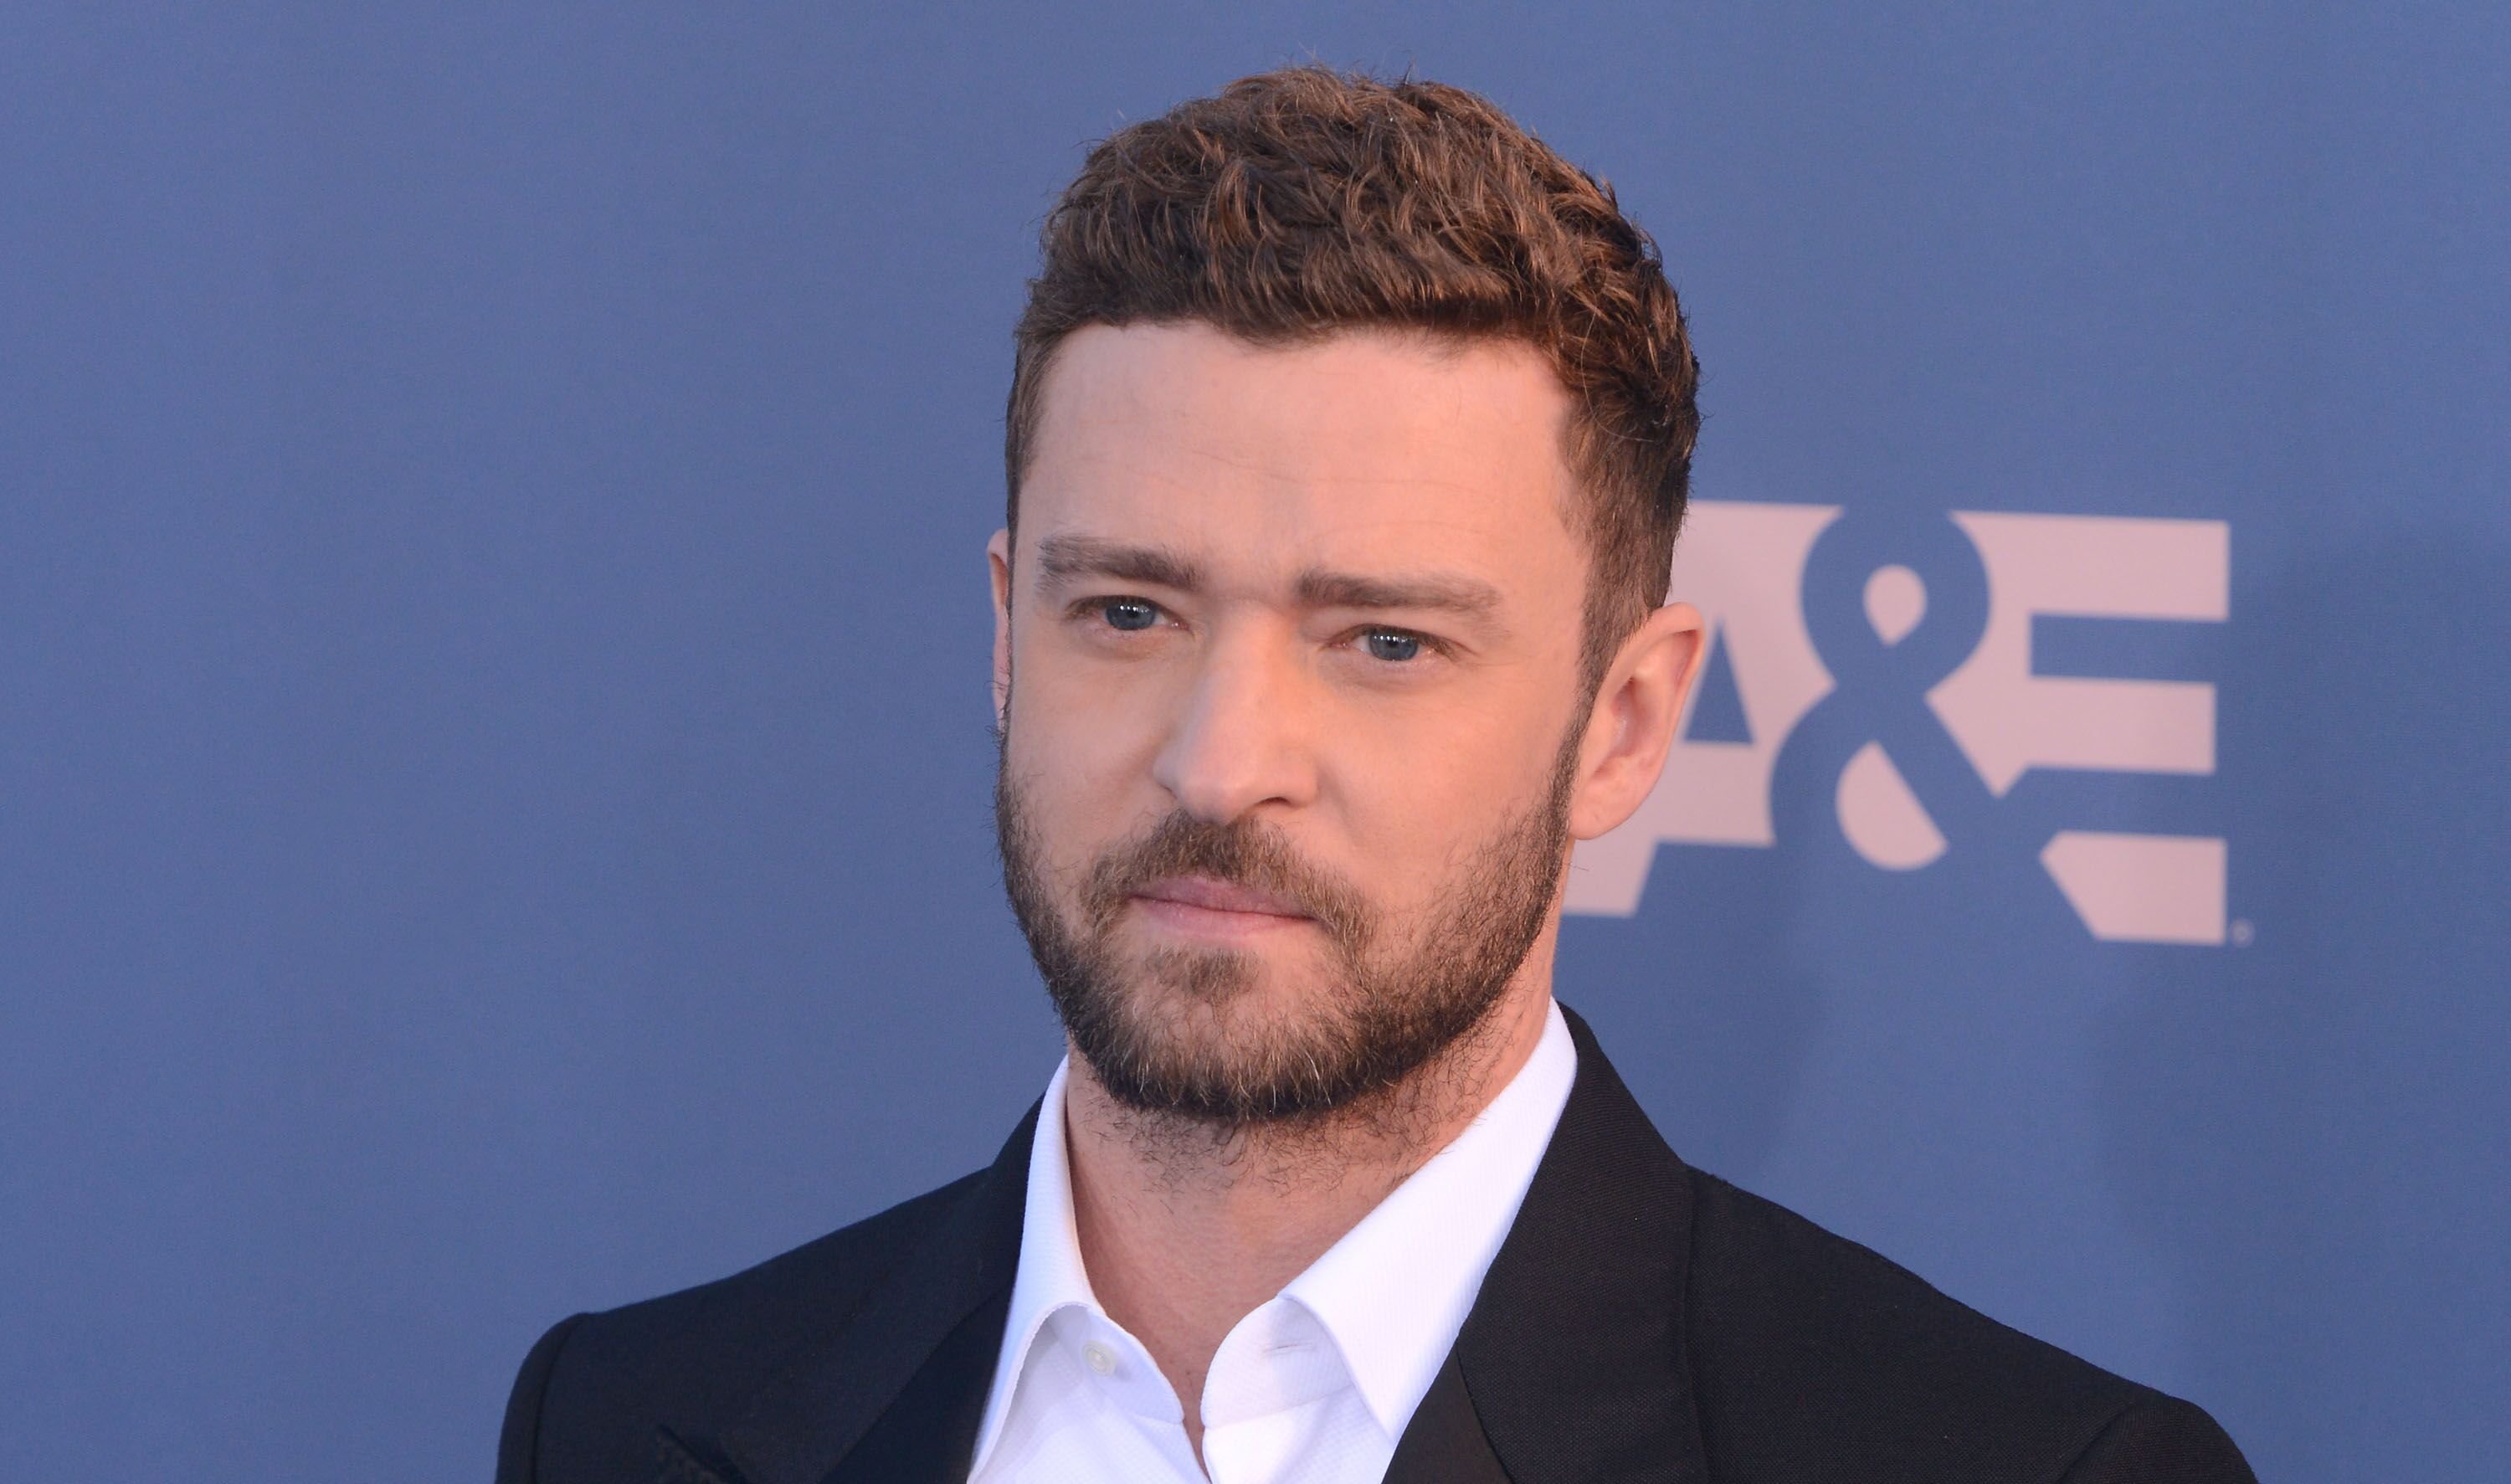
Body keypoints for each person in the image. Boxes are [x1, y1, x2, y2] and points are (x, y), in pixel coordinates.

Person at [495, 66, 2257, 1484]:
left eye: (1384, 642)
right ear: (1006, 636)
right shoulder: (639, 1419)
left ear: (1626, 722)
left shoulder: (2029, 1465)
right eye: (1126, 608)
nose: (1222, 757)